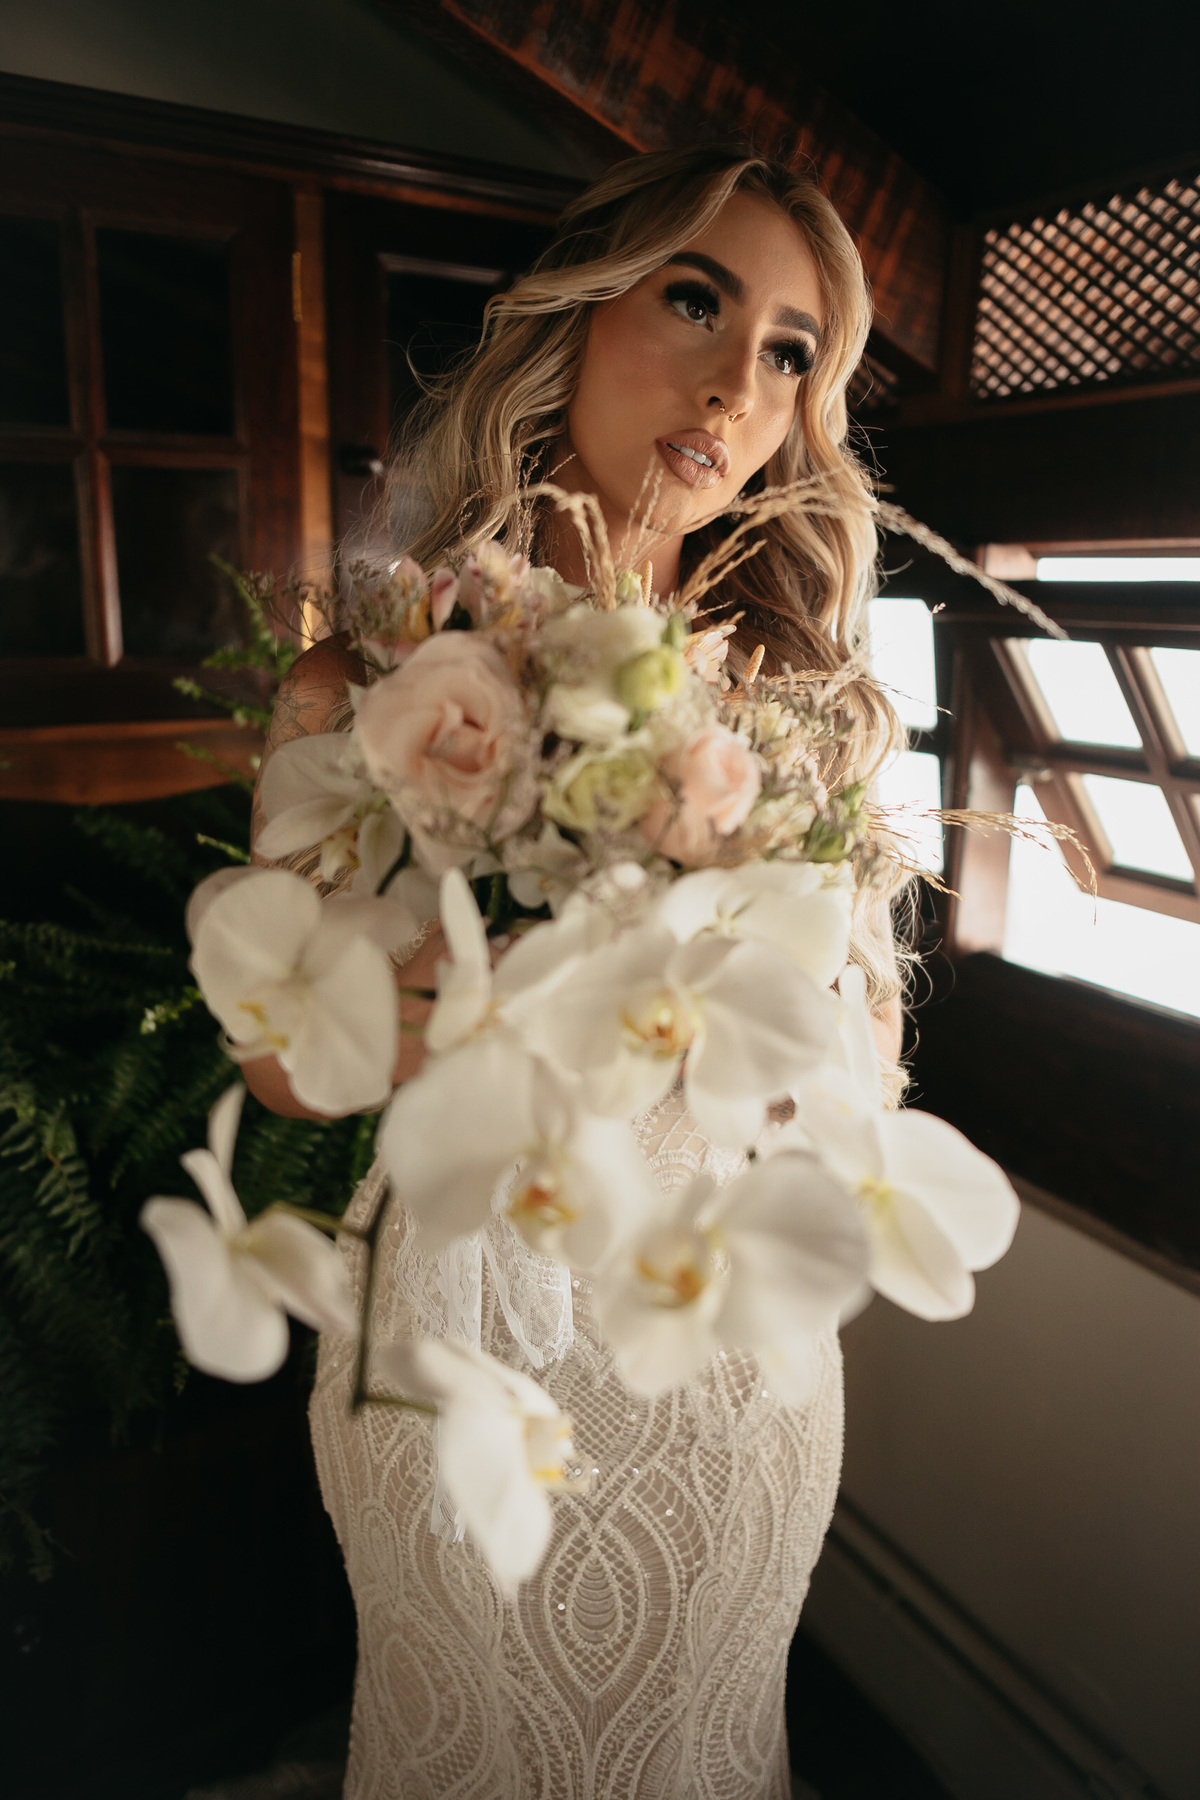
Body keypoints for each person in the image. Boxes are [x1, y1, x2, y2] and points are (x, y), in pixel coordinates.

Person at [248, 145, 909, 1800]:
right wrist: (412, 1009)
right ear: (575, 313)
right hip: (460, 1330)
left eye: (788, 354)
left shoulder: (806, 709)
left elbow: (865, 1079)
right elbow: (281, 1064)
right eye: (696, 301)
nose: (738, 385)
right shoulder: (363, 682)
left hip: (725, 1353)